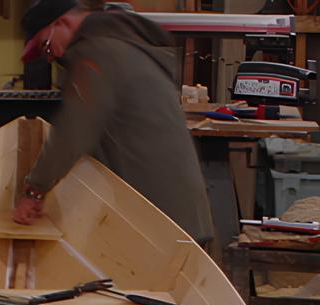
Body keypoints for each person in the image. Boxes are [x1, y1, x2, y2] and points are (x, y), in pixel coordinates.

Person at [12, 0, 213, 246]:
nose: (52, 56)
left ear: (63, 23)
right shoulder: (122, 44)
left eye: (46, 46)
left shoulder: (97, 53)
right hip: (176, 211)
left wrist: (35, 190)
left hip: (160, 217)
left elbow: (74, 129)